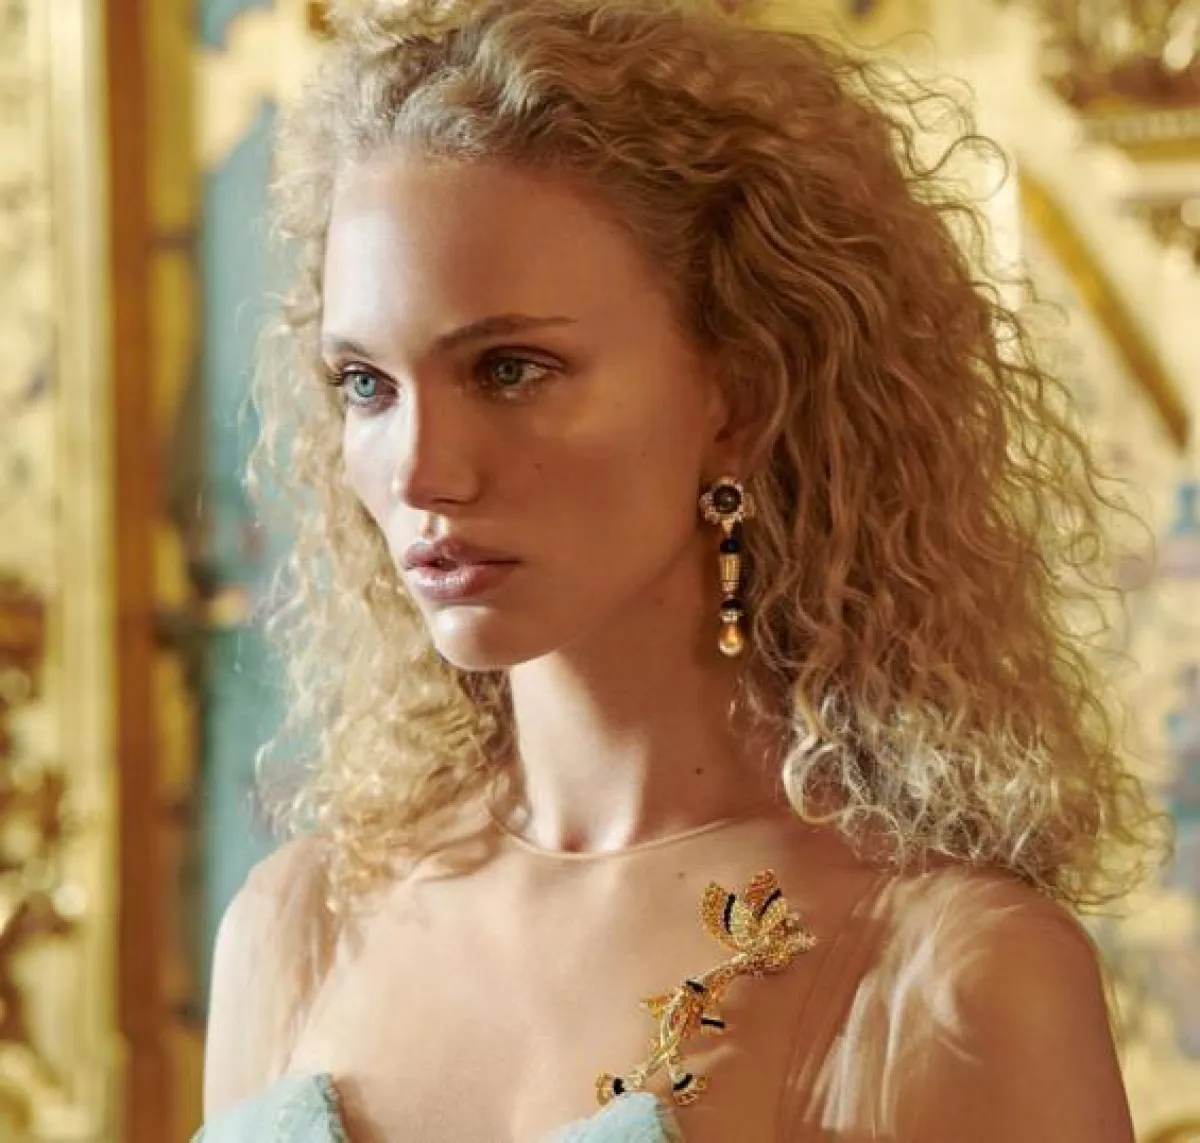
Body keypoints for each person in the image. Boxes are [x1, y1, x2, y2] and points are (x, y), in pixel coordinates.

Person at [196, 0, 1165, 1139]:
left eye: (510, 370)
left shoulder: (946, 980)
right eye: (366, 384)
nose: (422, 471)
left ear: (740, 395)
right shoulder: (300, 928)